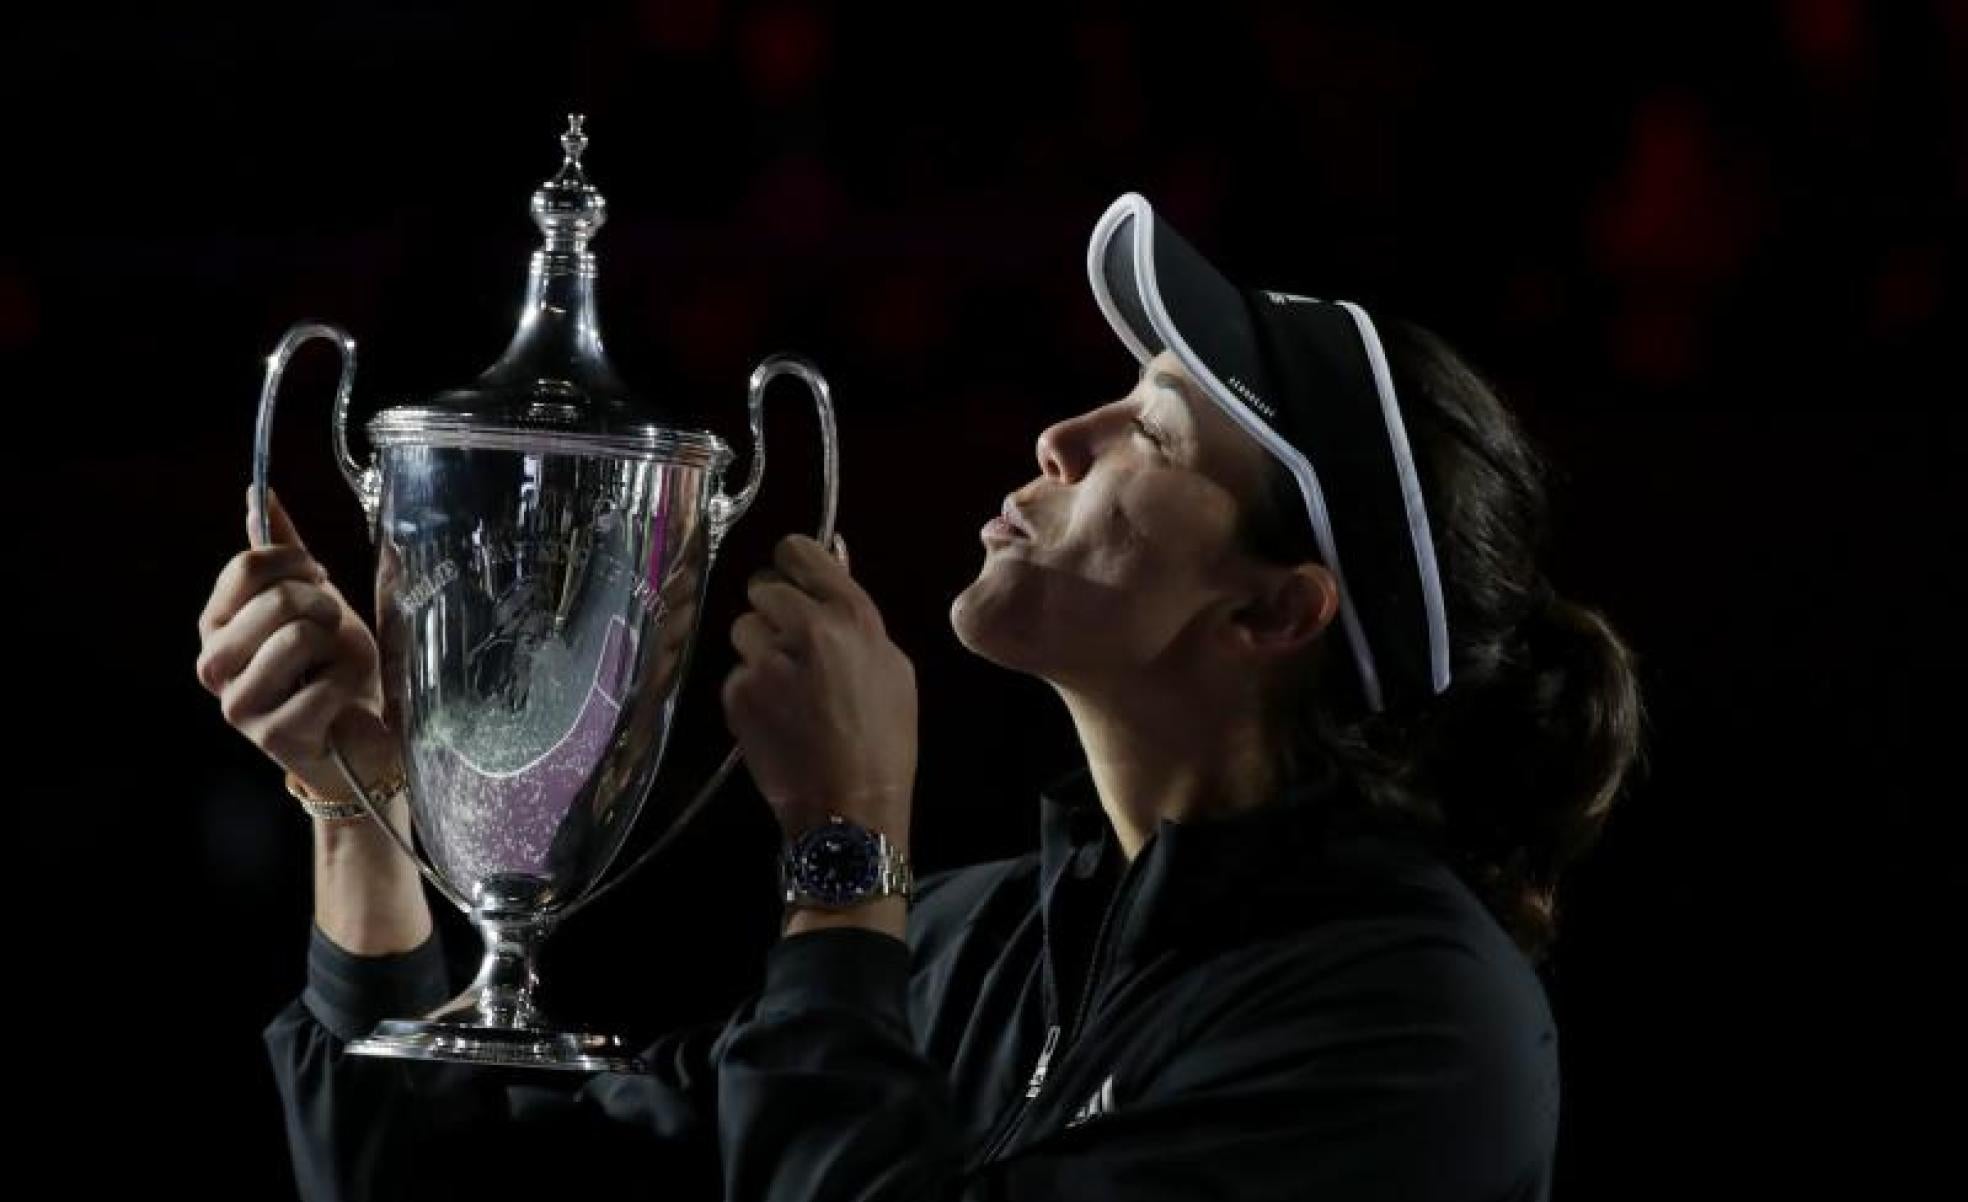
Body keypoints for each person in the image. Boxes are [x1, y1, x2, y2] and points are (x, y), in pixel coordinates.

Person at [197, 192, 1647, 1202]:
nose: (1060, 434)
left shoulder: (1416, 1026)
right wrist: (360, 796)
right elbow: (438, 1187)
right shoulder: (970, 942)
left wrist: (844, 845)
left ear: (1273, 610)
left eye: (1149, 433)